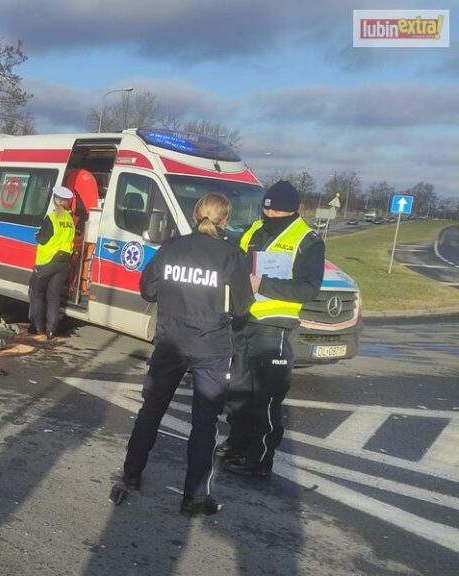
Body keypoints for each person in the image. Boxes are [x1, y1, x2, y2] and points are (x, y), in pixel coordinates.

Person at [110, 193, 253, 517]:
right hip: (211, 348)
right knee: (204, 424)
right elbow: (243, 307)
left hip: (170, 343)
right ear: (225, 219)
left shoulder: (172, 247)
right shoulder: (231, 255)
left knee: (151, 410)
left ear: (195, 214)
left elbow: (148, 290)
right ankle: (194, 498)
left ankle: (131, 476)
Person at [219, 180, 325, 477]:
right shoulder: (254, 229)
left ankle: (259, 458)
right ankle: (237, 441)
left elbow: (308, 289)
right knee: (238, 390)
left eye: (275, 211)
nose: (269, 215)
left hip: (273, 327)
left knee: (265, 396)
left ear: (290, 210)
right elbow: (237, 262)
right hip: (243, 319)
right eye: (266, 209)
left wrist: (262, 284)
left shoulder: (307, 240)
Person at [28, 186, 76, 341]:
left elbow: (42, 239)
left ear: (55, 200)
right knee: (54, 297)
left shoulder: (51, 217)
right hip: (63, 263)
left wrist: (37, 234)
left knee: (37, 294)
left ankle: (37, 328)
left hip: (47, 261)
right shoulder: (69, 219)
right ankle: (51, 331)